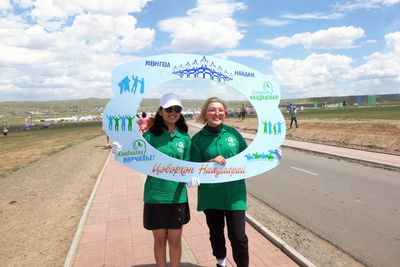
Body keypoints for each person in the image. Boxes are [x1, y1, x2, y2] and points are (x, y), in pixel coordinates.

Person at [113, 93, 192, 267]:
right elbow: (135, 153)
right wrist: (121, 151)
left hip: (177, 197)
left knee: (175, 241)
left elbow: (188, 166)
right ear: (160, 111)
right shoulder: (149, 136)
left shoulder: (185, 139)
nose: (173, 112)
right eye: (169, 109)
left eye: (177, 109)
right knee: (159, 240)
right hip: (155, 196)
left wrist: (191, 178)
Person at [191, 97, 249, 267]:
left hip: (235, 194)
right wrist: (208, 163)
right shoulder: (198, 139)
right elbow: (193, 167)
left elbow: (248, 157)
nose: (217, 113)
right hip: (211, 195)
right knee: (216, 233)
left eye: (220, 110)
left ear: (224, 113)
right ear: (205, 114)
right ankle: (221, 262)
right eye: (212, 110)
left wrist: (270, 155)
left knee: (239, 237)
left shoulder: (234, 134)